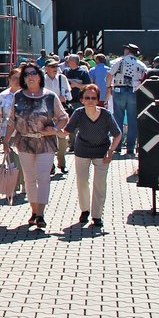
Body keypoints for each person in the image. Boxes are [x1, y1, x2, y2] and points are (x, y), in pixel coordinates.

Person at [4, 61, 69, 229]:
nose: (30, 77)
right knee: (29, 179)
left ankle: (40, 214)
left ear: (39, 77)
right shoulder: (18, 96)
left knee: (44, 178)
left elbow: (63, 117)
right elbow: (12, 120)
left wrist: (54, 129)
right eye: (26, 75)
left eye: (33, 74)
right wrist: (5, 140)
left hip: (45, 142)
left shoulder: (49, 96)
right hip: (25, 142)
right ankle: (34, 211)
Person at [65, 84, 122, 229]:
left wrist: (111, 152)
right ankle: (85, 210)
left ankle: (97, 215)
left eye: (93, 98)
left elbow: (118, 134)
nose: (90, 100)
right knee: (82, 182)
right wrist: (51, 130)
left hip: (101, 152)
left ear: (98, 100)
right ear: (82, 100)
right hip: (82, 151)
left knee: (100, 184)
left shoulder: (106, 114)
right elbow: (66, 130)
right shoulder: (78, 113)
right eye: (87, 98)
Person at [106, 44, 148, 156]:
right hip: (134, 92)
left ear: (128, 51)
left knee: (118, 119)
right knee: (132, 120)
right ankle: (130, 148)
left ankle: (117, 146)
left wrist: (109, 87)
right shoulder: (141, 64)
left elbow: (109, 75)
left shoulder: (119, 61)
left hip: (119, 91)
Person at [0, 68, 25, 199]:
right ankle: (13, 186)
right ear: (9, 80)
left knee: (23, 161)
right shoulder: (3, 95)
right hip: (7, 132)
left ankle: (24, 184)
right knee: (11, 161)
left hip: (22, 133)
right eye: (14, 78)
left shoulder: (26, 95)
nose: (16, 81)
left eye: (19, 78)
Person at [42, 59, 73, 172]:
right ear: (46, 68)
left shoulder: (62, 78)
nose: (55, 68)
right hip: (46, 113)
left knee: (62, 139)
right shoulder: (42, 80)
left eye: (56, 65)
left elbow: (69, 95)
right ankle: (50, 165)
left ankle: (62, 163)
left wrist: (64, 97)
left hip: (60, 113)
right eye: (52, 66)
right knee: (49, 140)